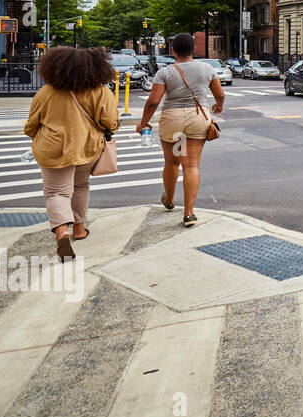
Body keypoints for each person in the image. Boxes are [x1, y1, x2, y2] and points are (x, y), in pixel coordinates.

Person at [23, 47, 120, 262]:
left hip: (53, 148)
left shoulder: (47, 92)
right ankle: (79, 228)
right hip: (88, 147)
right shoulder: (101, 91)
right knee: (80, 185)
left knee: (57, 192)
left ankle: (62, 234)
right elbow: (110, 122)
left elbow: (31, 125)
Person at [136, 33, 224, 227]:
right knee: (191, 165)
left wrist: (143, 123)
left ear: (173, 50)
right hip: (197, 117)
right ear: (193, 50)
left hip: (173, 119)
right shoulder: (207, 68)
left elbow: (153, 101)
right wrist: (219, 104)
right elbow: (220, 94)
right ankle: (189, 213)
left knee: (172, 162)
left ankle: (168, 199)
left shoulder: (165, 72)